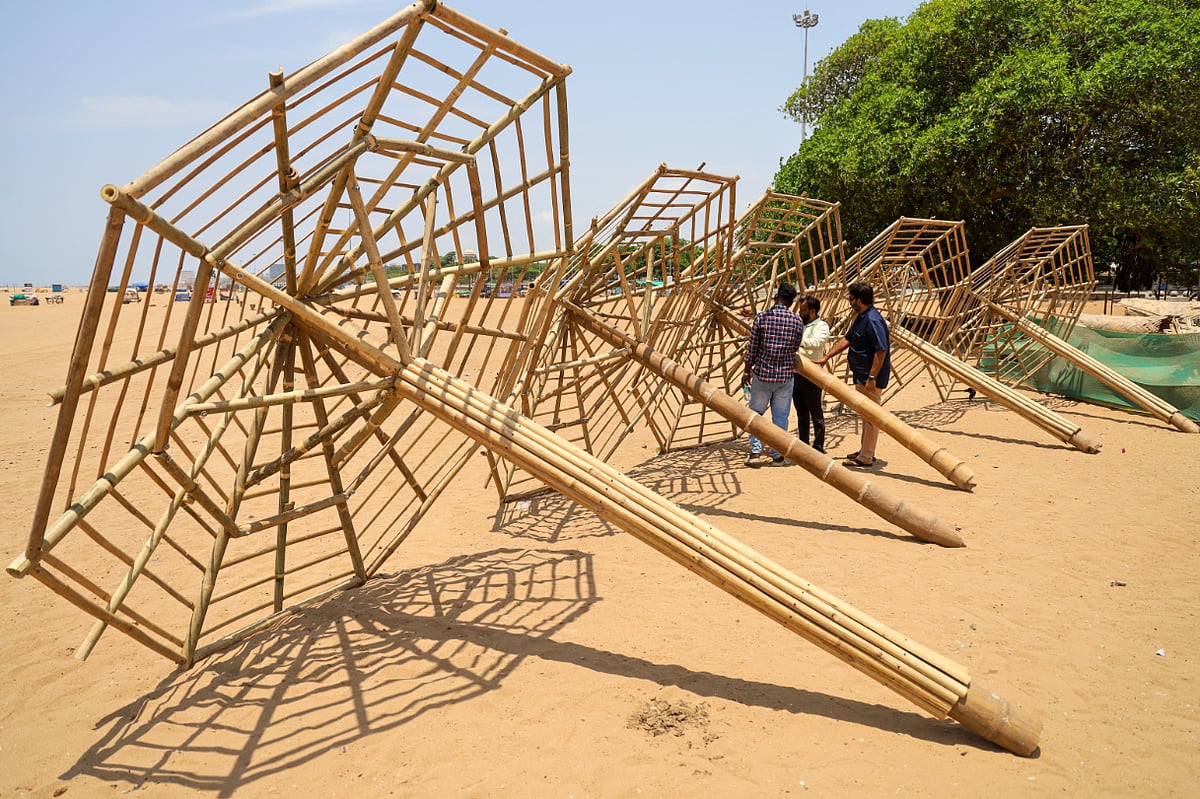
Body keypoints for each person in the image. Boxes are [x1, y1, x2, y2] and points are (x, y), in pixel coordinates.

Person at [814, 282, 891, 468]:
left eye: (851, 298)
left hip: (870, 378)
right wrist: (827, 356)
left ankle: (866, 456)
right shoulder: (862, 317)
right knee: (866, 414)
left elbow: (881, 350)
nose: (849, 302)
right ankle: (866, 450)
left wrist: (872, 376)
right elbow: (847, 339)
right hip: (863, 376)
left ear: (859, 299)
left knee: (871, 416)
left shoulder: (872, 320)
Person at [742, 283, 805, 467]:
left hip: (763, 374)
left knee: (755, 414)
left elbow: (752, 349)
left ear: (776, 297)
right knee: (780, 417)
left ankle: (755, 453)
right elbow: (795, 347)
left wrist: (746, 371)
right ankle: (777, 454)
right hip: (785, 377)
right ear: (792, 301)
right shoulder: (797, 321)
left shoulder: (762, 318)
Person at [792, 294, 831, 453]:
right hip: (796, 373)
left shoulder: (821, 326)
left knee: (816, 412)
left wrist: (796, 340)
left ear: (812, 311)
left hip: (813, 375)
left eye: (803, 310)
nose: (800, 312)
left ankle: (819, 446)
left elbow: (817, 343)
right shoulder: (798, 323)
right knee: (801, 412)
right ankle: (803, 444)